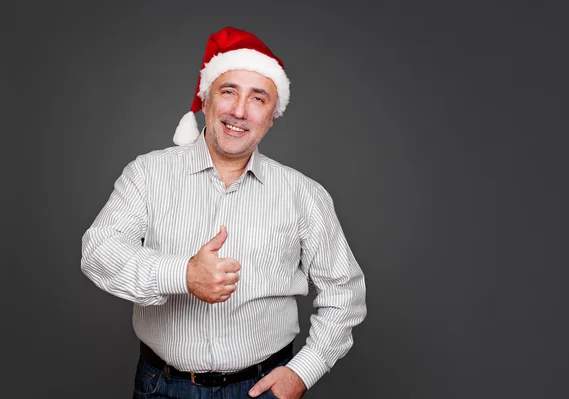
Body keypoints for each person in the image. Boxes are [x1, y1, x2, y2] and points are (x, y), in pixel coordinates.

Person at [81, 26, 367, 399]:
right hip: (162, 387)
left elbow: (344, 293)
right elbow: (98, 252)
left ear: (271, 116)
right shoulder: (148, 174)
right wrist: (183, 274)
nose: (239, 111)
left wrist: (302, 372)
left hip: (262, 388)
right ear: (207, 99)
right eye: (228, 91)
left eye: (258, 99)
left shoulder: (304, 194)